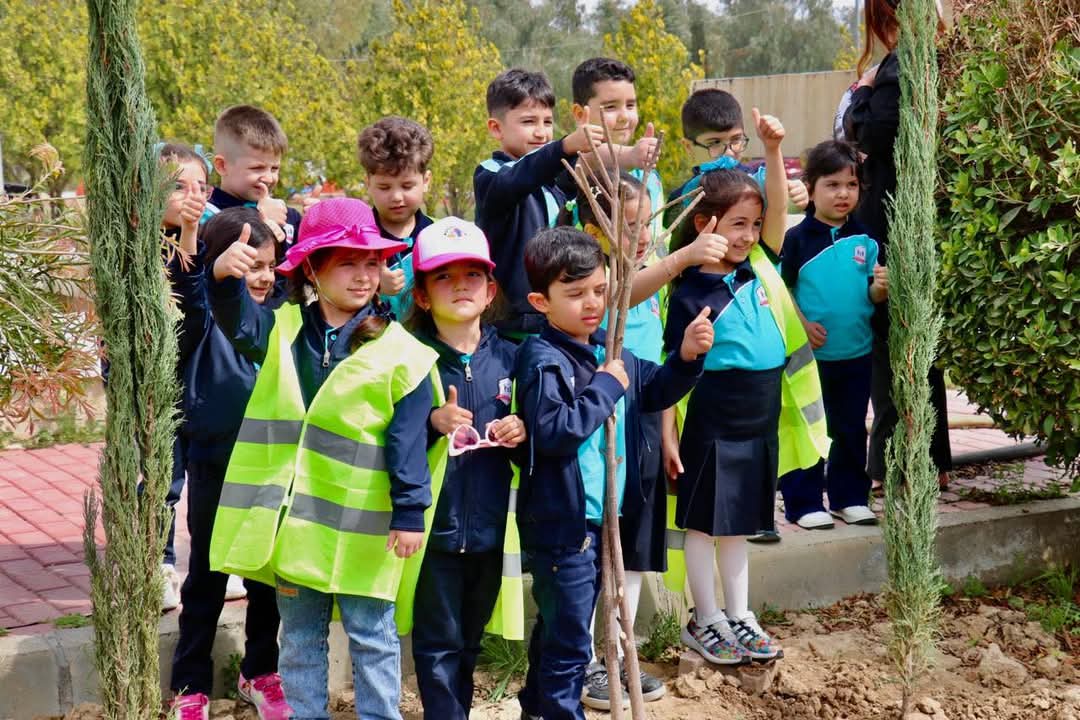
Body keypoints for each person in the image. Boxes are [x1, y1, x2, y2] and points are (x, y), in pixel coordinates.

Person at [206, 198, 444, 720]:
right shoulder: (283, 329)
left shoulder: (402, 351)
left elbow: (406, 443)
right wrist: (222, 279)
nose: (363, 276)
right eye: (347, 263)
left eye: (372, 263)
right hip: (296, 529)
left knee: (373, 639)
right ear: (313, 267)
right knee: (299, 641)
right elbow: (237, 322)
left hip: (366, 529)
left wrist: (409, 512)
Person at [513, 227, 712, 720]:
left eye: (600, 291)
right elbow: (555, 432)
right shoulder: (543, 361)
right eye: (575, 294)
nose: (591, 303)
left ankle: (537, 710)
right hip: (563, 528)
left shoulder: (609, 348)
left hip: (600, 522)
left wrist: (687, 357)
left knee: (562, 628)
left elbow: (655, 388)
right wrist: (604, 388)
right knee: (570, 643)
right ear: (541, 301)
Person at [662, 110, 828, 666]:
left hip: (757, 421)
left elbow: (778, 207)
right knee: (704, 526)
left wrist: (774, 151)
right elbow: (671, 365)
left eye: (754, 226)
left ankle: (739, 615)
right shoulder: (685, 286)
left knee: (742, 525)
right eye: (736, 224)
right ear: (704, 224)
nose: (749, 235)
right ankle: (704, 618)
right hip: (713, 421)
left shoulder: (759, 263)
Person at [557, 170, 726, 709]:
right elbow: (617, 297)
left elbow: (653, 373)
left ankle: (617, 651)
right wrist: (679, 258)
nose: (644, 237)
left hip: (643, 422)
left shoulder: (645, 280)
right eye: (630, 227)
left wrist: (666, 428)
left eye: (650, 223)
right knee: (596, 551)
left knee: (633, 549)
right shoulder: (600, 282)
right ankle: (584, 662)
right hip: (601, 426)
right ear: (595, 228)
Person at [168, 207, 289, 720]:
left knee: (266, 574)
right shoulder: (204, 321)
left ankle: (259, 670)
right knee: (209, 573)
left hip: (271, 459)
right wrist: (215, 274)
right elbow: (192, 298)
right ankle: (189, 682)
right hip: (216, 456)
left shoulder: (279, 318)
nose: (260, 276)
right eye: (248, 264)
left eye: (268, 265)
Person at [404, 217, 526, 720]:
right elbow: (388, 435)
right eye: (443, 276)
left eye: (472, 275)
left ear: (491, 288)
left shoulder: (516, 358)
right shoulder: (409, 359)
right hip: (434, 530)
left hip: (494, 530)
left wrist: (522, 429)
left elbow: (541, 436)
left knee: (470, 637)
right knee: (437, 642)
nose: (460, 286)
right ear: (423, 296)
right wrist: (432, 421)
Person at [843, 0, 952, 491]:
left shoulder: (901, 62)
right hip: (916, 215)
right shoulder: (931, 55)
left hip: (893, 221)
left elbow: (873, 133)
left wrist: (862, 95)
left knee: (893, 345)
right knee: (919, 347)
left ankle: (895, 466)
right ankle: (931, 460)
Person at [777, 140, 886, 530]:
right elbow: (782, 289)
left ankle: (849, 498)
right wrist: (803, 325)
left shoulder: (867, 239)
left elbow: (870, 294)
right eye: (832, 185)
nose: (843, 194)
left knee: (850, 429)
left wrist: (879, 290)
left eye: (851, 185)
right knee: (809, 429)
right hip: (810, 360)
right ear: (810, 187)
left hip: (856, 353)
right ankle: (803, 502)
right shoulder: (798, 240)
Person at [473, 68, 608, 338]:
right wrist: (563, 146)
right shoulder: (491, 175)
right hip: (510, 329)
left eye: (547, 122)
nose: (541, 132)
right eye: (528, 121)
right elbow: (520, 177)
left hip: (555, 321)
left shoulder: (554, 182)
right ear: (496, 128)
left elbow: (573, 172)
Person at [157, 142, 210, 612]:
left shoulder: (206, 237)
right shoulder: (136, 241)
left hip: (196, 372)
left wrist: (193, 230)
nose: (190, 195)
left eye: (199, 185)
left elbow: (194, 299)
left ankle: (210, 563)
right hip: (153, 376)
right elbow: (172, 291)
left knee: (204, 468)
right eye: (178, 186)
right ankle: (160, 562)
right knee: (161, 474)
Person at [665, 88, 809, 229]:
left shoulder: (757, 181)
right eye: (715, 143)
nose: (728, 153)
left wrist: (796, 194)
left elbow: (782, 205)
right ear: (689, 147)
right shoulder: (680, 201)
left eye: (736, 140)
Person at [357, 116, 435, 318]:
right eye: (384, 187)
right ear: (368, 182)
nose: (396, 197)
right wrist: (373, 285)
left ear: (426, 181)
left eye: (407, 186)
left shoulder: (438, 238)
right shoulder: (357, 240)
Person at [204, 105, 302, 247]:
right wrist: (260, 222)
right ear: (222, 166)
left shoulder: (290, 217)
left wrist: (316, 222)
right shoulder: (205, 214)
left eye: (274, 169)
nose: (269, 178)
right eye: (257, 168)